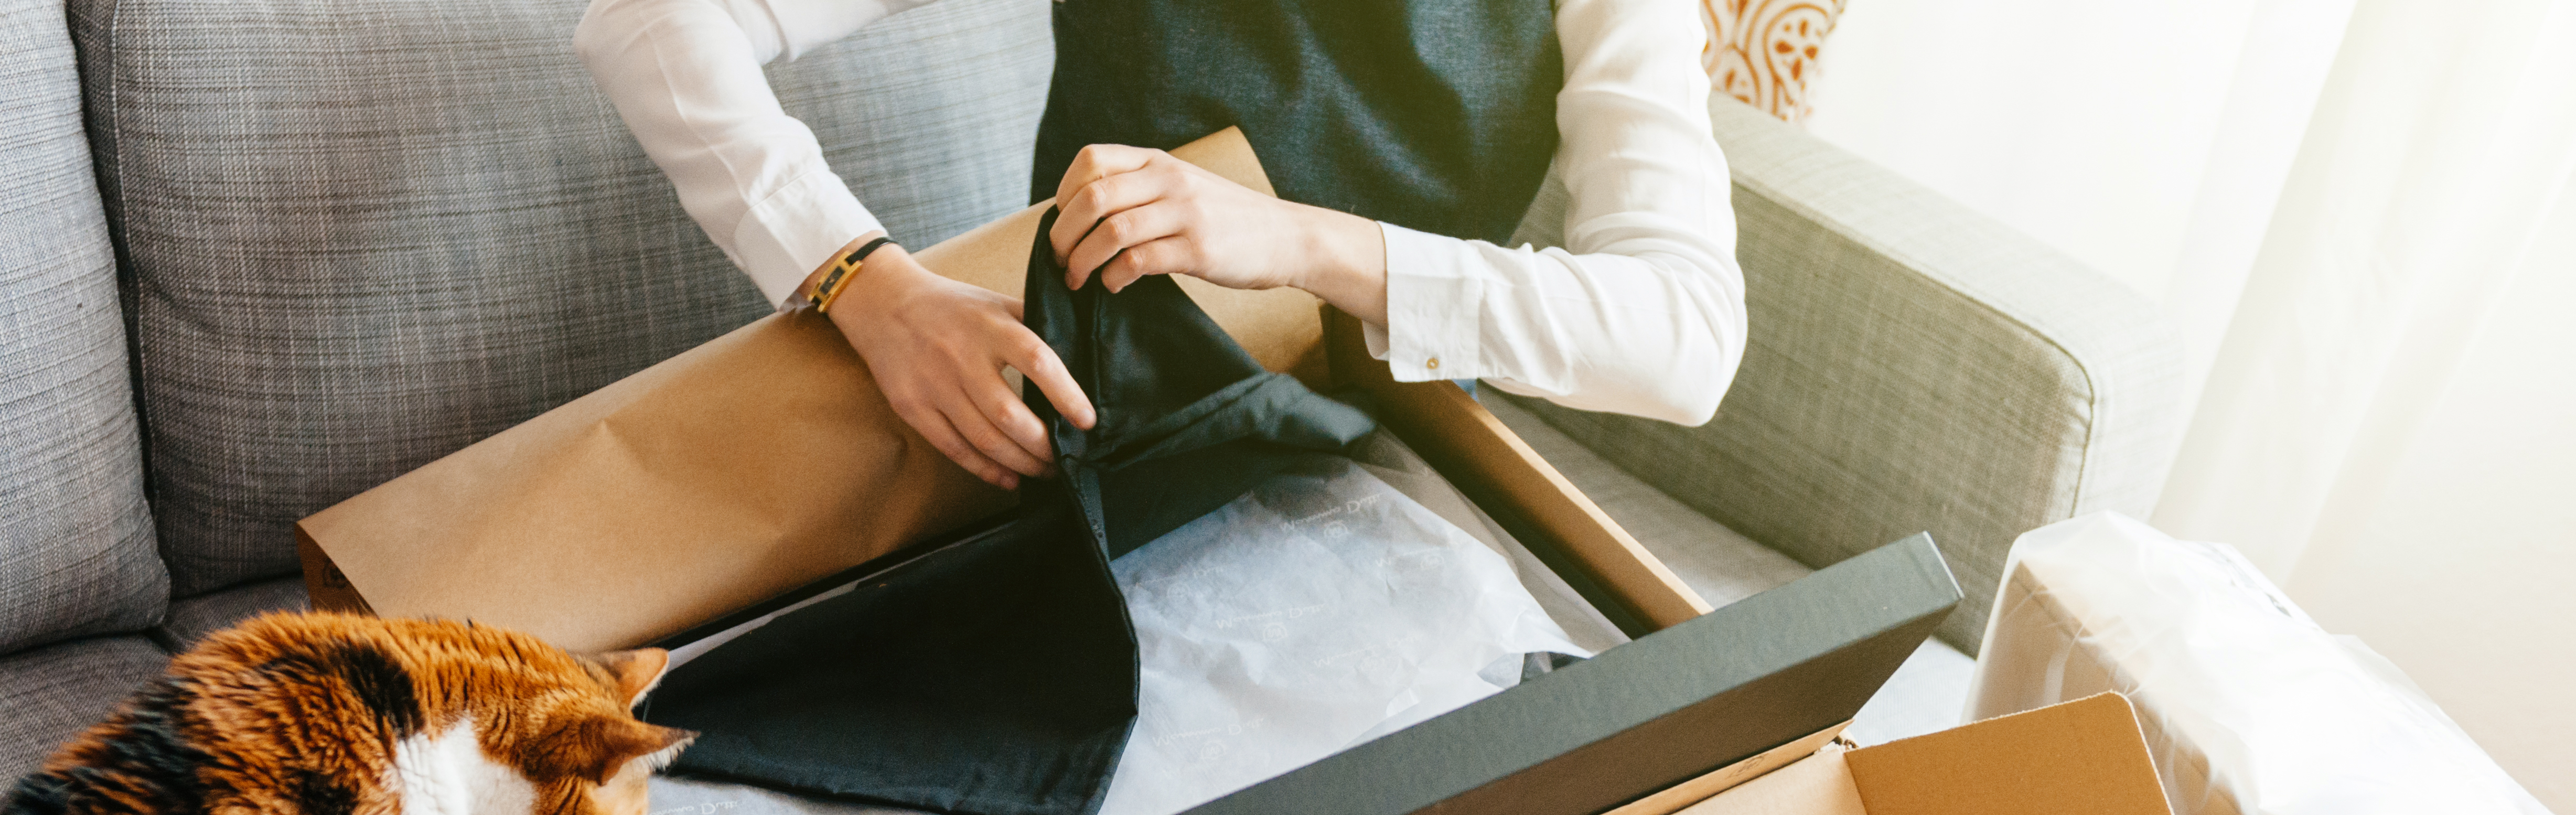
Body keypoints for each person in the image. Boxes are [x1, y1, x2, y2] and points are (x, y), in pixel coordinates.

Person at [574, 0, 1745, 494]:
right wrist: (864, 282)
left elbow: (1687, 339)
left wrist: (1300, 242)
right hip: (1080, 462)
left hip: (1379, 478)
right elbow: (652, 20)